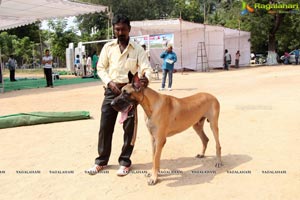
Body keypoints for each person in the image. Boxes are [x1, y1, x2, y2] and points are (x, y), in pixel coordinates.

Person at [86, 14, 152, 176]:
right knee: (105, 126)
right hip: (111, 91)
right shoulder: (108, 48)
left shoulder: (137, 49)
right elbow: (101, 68)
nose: (120, 32)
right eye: (117, 29)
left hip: (129, 93)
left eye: (123, 29)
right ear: (114, 30)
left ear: (129, 29)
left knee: (129, 129)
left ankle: (125, 162)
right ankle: (101, 161)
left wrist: (145, 79)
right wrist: (109, 83)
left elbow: (146, 68)